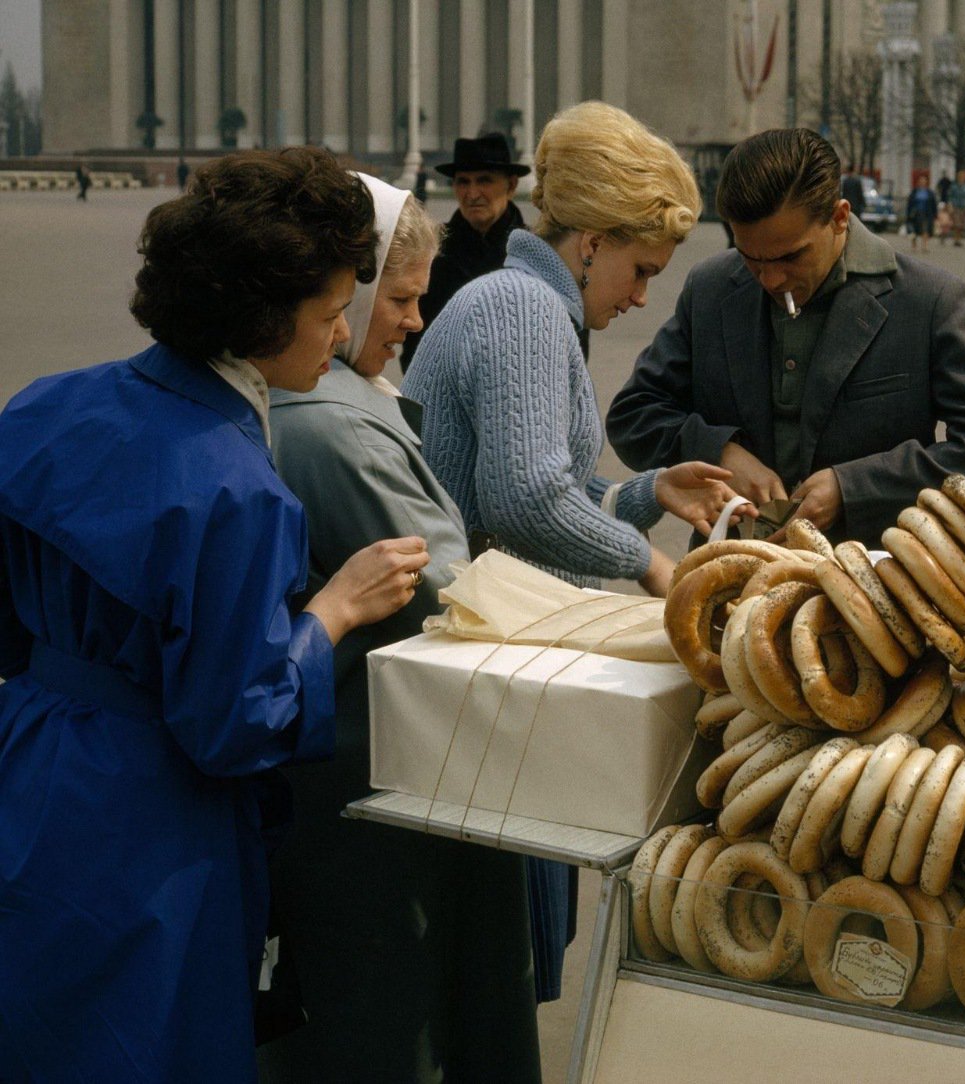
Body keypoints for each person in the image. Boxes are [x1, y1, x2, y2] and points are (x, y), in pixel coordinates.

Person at [0, 147, 428, 1081]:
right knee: (146, 1040)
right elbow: (234, 723)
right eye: (328, 313)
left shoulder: (44, 406)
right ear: (261, 321)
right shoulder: (234, 487)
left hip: (28, 767)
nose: (341, 332)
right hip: (149, 823)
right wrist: (334, 611)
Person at [261, 176, 539, 1081]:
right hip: (375, 780)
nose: (411, 323)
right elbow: (450, 595)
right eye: (402, 298)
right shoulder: (335, 425)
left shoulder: (336, 402)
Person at [606, 127, 965, 545]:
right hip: (730, 579)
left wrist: (854, 488)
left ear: (840, 217)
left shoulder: (926, 299)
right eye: (751, 258)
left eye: (791, 256)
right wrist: (721, 453)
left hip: (875, 588)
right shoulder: (711, 288)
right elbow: (634, 415)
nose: (771, 278)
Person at [405, 101, 740, 596]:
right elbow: (527, 501)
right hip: (483, 629)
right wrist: (649, 560)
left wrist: (652, 491)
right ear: (593, 245)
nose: (641, 296)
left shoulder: (522, 300)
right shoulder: (522, 306)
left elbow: (544, 484)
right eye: (641, 270)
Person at [400, 132, 529, 370]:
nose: (472, 194)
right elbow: (414, 339)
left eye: (484, 180)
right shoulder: (430, 252)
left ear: (511, 185)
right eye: (463, 182)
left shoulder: (535, 253)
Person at [905, 171, 938, 253]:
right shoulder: (914, 192)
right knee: (914, 231)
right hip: (915, 214)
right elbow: (909, 204)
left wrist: (935, 215)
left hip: (926, 213)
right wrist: (908, 214)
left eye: (924, 180)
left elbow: (933, 204)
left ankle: (925, 246)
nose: (922, 182)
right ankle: (914, 246)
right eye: (921, 180)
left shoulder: (930, 193)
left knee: (925, 229)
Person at [948, 170, 965, 246]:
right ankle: (956, 239)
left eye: (964, 177)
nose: (963, 178)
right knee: (957, 224)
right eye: (961, 176)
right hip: (956, 206)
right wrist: (950, 205)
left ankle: (960, 238)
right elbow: (950, 196)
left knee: (963, 225)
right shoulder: (954, 186)